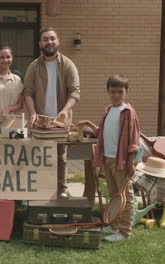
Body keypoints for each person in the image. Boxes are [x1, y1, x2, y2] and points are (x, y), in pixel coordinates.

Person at [75, 74, 140, 242]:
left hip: (122, 162)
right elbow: (101, 133)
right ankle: (114, 226)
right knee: (113, 195)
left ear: (126, 92)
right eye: (113, 92)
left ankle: (125, 232)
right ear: (108, 92)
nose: (116, 95)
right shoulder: (108, 111)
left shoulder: (128, 113)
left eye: (120, 91)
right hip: (108, 160)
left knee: (125, 196)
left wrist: (131, 162)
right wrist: (89, 123)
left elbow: (134, 141)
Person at [23, 27, 80, 197]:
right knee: (39, 156)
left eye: (52, 38)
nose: (49, 42)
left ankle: (61, 189)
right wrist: (32, 113)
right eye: (46, 39)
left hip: (60, 122)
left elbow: (75, 92)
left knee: (60, 157)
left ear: (58, 41)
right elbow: (27, 92)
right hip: (40, 122)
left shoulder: (68, 65)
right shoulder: (34, 66)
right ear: (40, 43)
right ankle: (40, 188)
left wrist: (65, 110)